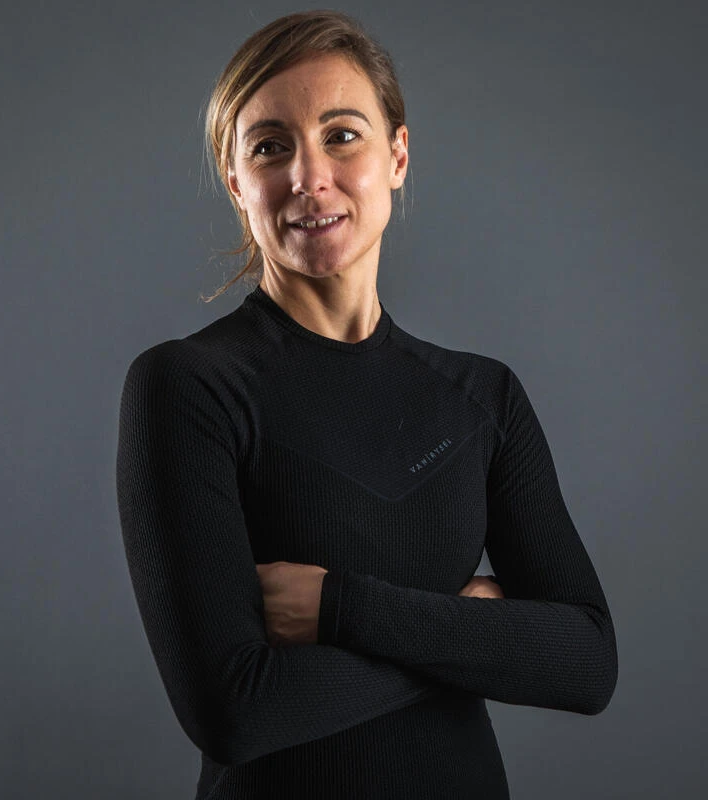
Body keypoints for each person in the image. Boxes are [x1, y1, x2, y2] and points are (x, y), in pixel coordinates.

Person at [115, 10, 618, 799]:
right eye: (270, 147)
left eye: (342, 135)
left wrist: (339, 607)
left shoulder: (480, 397)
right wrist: (467, 632)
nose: (309, 177)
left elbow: (586, 662)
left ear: (398, 155)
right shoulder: (188, 387)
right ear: (236, 180)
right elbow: (235, 712)